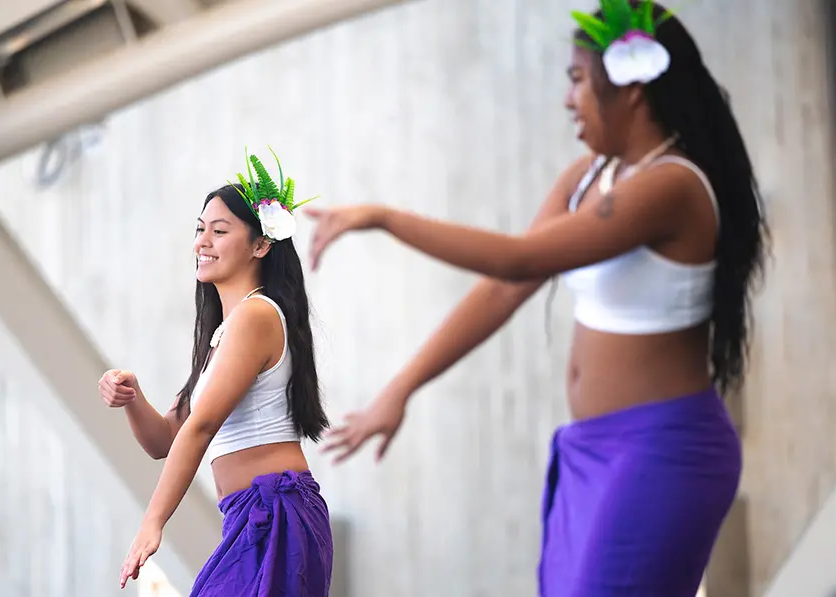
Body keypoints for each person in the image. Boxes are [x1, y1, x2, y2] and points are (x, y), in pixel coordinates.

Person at [304, 1, 767, 595]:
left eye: (577, 80)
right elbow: (505, 288)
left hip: (661, 454)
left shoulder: (671, 185)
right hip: (590, 455)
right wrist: (401, 388)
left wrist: (385, 218)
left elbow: (517, 258)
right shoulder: (587, 176)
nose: (568, 99)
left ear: (628, 88)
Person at [101, 150, 333, 596]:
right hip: (250, 513)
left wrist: (153, 522)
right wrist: (133, 399)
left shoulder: (256, 317)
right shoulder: (225, 334)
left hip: (277, 510)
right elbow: (166, 439)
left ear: (261, 245)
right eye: (199, 230)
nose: (202, 242)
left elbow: (201, 427)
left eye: (219, 231)